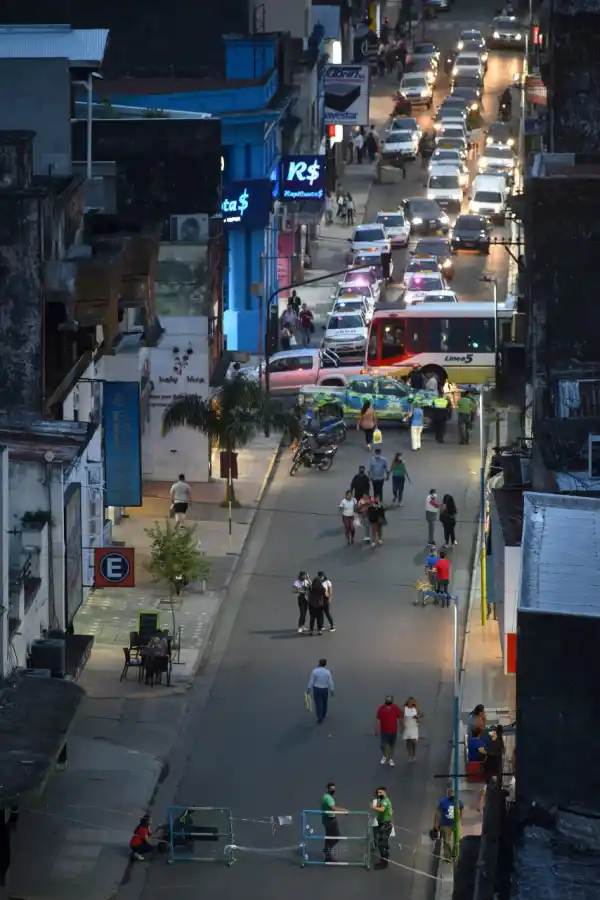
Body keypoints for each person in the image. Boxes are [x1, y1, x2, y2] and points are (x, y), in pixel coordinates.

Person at [434, 787, 463, 860]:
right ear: (448, 794)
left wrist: (461, 820)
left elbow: (461, 809)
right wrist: (436, 824)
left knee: (457, 840)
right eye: (451, 795)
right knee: (446, 842)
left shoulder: (459, 802)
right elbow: (437, 812)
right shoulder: (443, 802)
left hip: (455, 824)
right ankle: (448, 857)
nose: (452, 796)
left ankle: (454, 854)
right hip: (445, 825)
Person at [321, 782, 347, 862]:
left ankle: (327, 855)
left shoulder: (325, 796)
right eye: (331, 788)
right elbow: (333, 808)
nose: (333, 790)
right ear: (328, 789)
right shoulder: (328, 798)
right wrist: (344, 810)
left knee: (329, 837)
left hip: (326, 819)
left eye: (334, 788)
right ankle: (327, 850)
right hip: (330, 820)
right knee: (336, 836)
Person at [375, 695, 403, 766]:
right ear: (385, 701)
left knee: (391, 746)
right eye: (387, 700)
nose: (388, 702)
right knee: (383, 745)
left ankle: (390, 759)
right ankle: (385, 755)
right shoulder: (381, 709)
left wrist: (402, 727)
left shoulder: (395, 708)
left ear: (392, 701)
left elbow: (400, 718)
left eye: (389, 700)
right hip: (384, 731)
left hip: (393, 730)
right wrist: (376, 729)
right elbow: (378, 720)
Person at [307, 658, 335, 724]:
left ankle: (319, 717)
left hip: (317, 689)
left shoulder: (314, 671)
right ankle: (324, 714)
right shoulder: (327, 672)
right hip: (325, 689)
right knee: (324, 702)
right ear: (325, 664)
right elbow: (330, 682)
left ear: (319, 663)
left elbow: (311, 681)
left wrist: (309, 689)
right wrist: (332, 690)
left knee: (318, 703)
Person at [372, 787, 393, 868]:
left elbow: (382, 809)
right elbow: (390, 811)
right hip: (382, 823)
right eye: (378, 793)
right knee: (383, 842)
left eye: (380, 792)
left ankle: (384, 862)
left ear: (385, 792)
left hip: (385, 824)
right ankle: (385, 857)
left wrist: (373, 807)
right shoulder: (382, 800)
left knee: (381, 844)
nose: (379, 794)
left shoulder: (385, 801)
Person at [403, 697, 422, 761]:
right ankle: (409, 755)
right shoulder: (405, 709)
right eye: (409, 702)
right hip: (407, 726)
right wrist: (402, 726)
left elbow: (421, 715)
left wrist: (417, 717)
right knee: (408, 741)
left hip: (414, 726)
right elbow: (401, 717)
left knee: (413, 741)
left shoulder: (416, 709)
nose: (410, 703)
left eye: (411, 702)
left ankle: (414, 754)